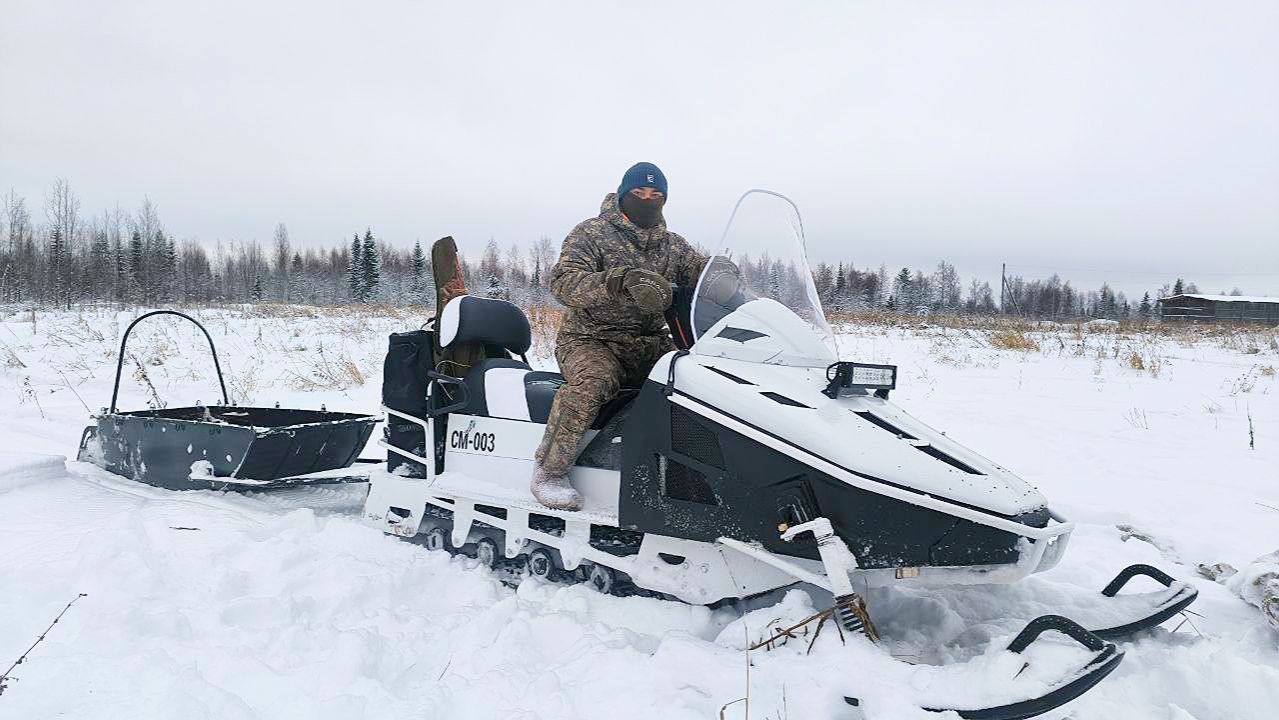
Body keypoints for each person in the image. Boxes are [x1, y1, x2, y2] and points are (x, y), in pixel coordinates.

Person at [531, 162, 706, 510]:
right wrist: (616, 281)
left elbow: (702, 277)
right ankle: (549, 472)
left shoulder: (673, 246)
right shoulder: (591, 234)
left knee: (698, 378)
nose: (647, 200)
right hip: (590, 338)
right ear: (624, 195)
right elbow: (564, 283)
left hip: (647, 340)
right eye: (639, 194)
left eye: (656, 195)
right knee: (592, 382)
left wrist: (725, 278)